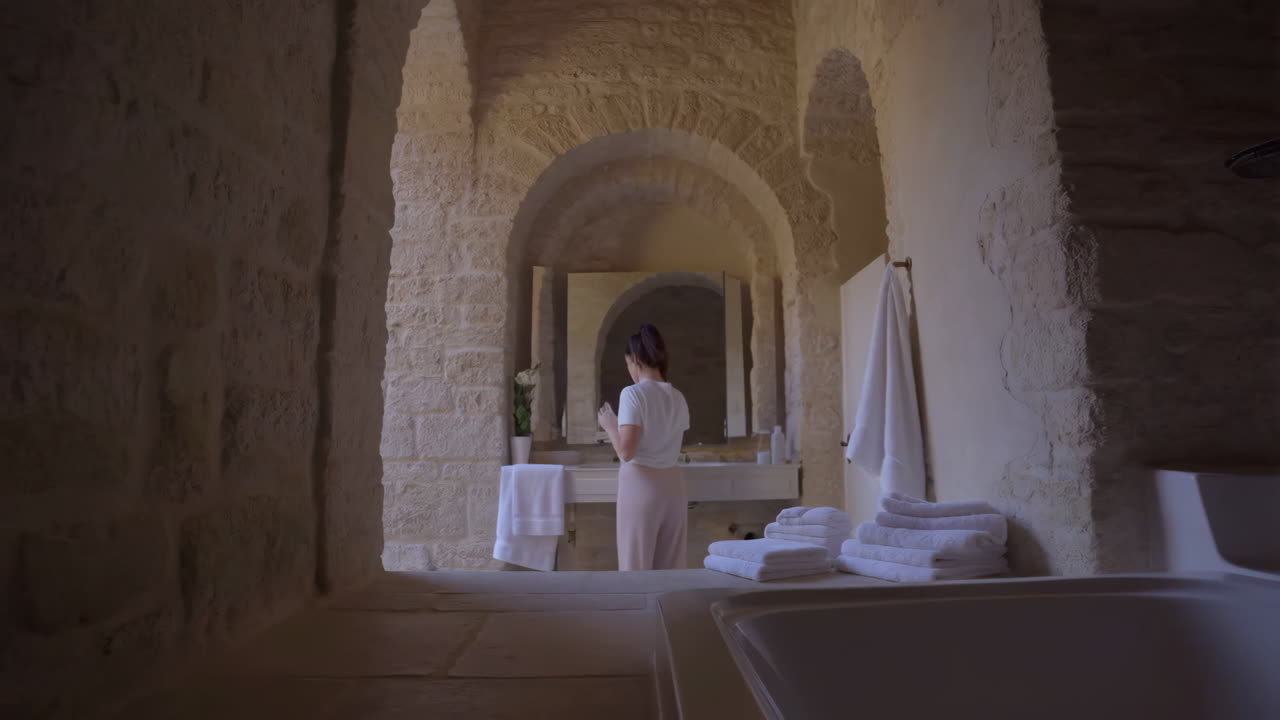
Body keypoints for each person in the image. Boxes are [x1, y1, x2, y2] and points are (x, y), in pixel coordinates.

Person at [597, 324, 690, 571]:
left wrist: (609, 425)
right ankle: (669, 611)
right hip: (673, 488)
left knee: (635, 567)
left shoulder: (633, 394)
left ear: (636, 360)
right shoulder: (678, 397)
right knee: (671, 568)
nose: (629, 371)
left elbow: (627, 452)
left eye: (628, 364)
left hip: (641, 486)